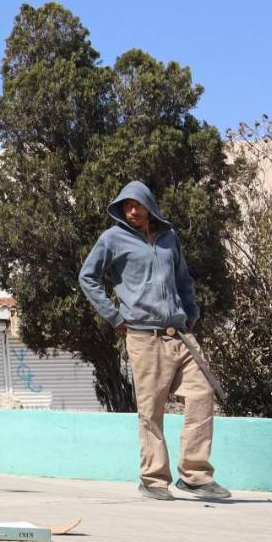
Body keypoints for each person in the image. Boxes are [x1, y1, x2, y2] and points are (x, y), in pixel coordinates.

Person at [78, 180, 231, 501]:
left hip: (180, 334)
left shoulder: (168, 237)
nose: (133, 211)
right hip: (143, 336)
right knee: (151, 409)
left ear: (149, 206)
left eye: (138, 205)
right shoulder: (112, 239)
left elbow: (183, 278)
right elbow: (87, 277)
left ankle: (196, 475)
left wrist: (191, 311)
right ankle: (153, 479)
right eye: (126, 206)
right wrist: (115, 317)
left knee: (202, 395)